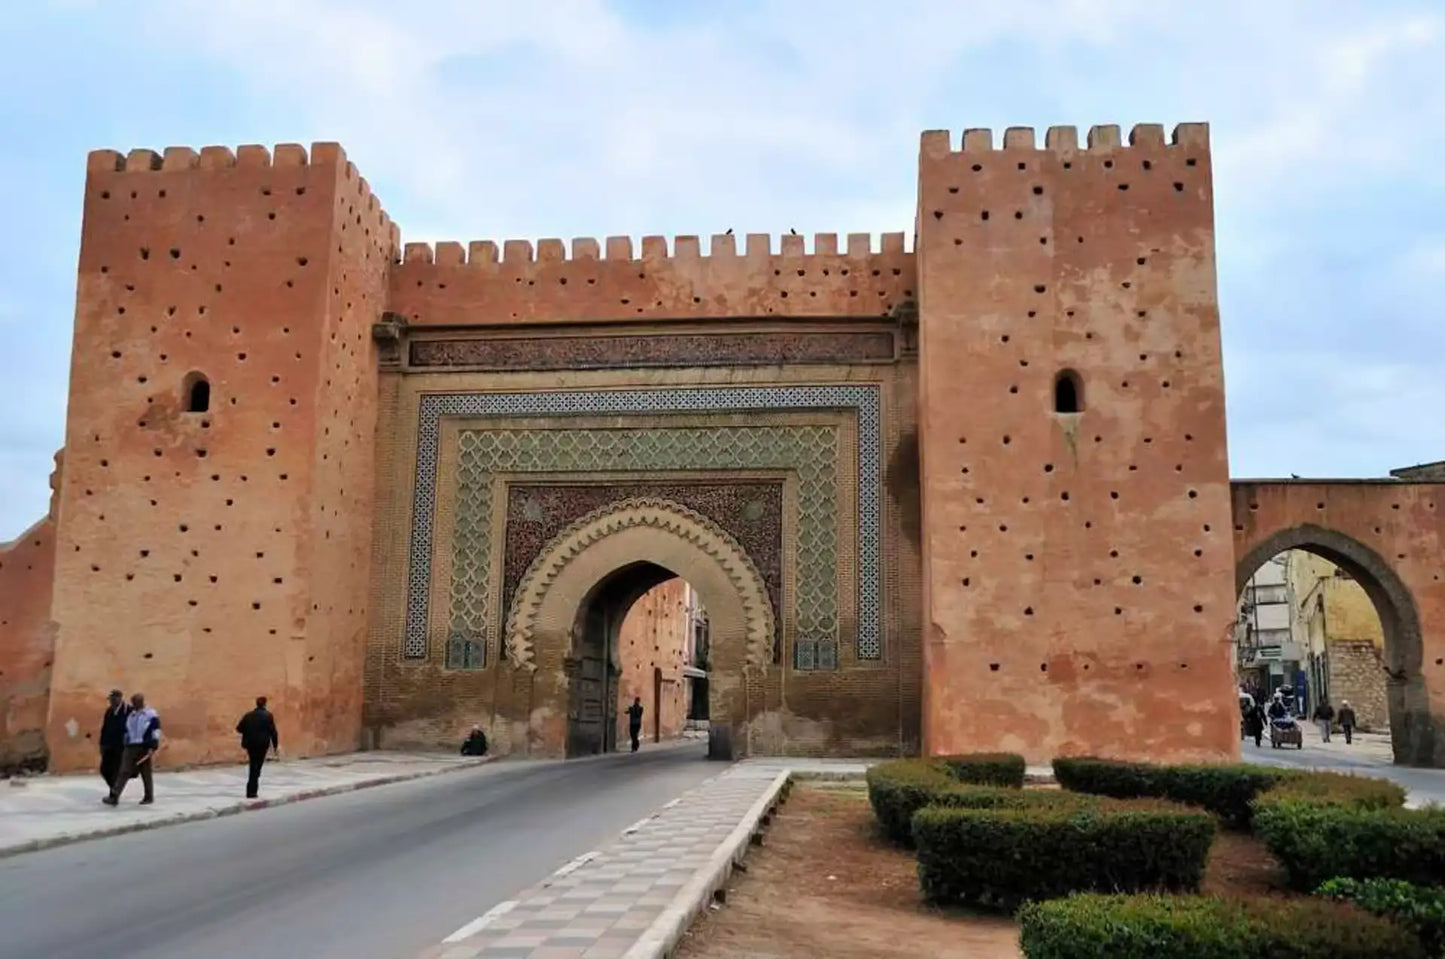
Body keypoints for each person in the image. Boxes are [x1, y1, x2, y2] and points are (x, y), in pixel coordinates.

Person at [103, 693, 161, 806]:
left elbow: (155, 730)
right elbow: (127, 730)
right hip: (131, 746)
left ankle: (149, 796)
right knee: (124, 770)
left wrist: (153, 746)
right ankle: (115, 796)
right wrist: (125, 741)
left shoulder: (150, 714)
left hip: (144, 745)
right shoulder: (132, 715)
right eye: (132, 702)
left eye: (135, 702)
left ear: (141, 702)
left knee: (146, 772)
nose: (133, 704)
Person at [235, 696, 279, 799]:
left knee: (253, 765)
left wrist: (249, 731)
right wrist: (275, 745)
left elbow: (239, 728)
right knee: (257, 767)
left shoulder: (248, 715)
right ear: (265, 704)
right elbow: (273, 732)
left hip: (250, 744)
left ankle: (251, 790)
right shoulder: (268, 716)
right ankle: (252, 791)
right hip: (262, 745)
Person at [98, 689, 131, 790]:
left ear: (119, 698)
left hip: (121, 746)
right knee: (104, 769)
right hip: (109, 745)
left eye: (113, 699)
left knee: (116, 769)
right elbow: (104, 728)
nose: (111, 702)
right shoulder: (109, 711)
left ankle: (114, 793)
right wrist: (102, 744)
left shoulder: (128, 710)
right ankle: (114, 787)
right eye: (110, 699)